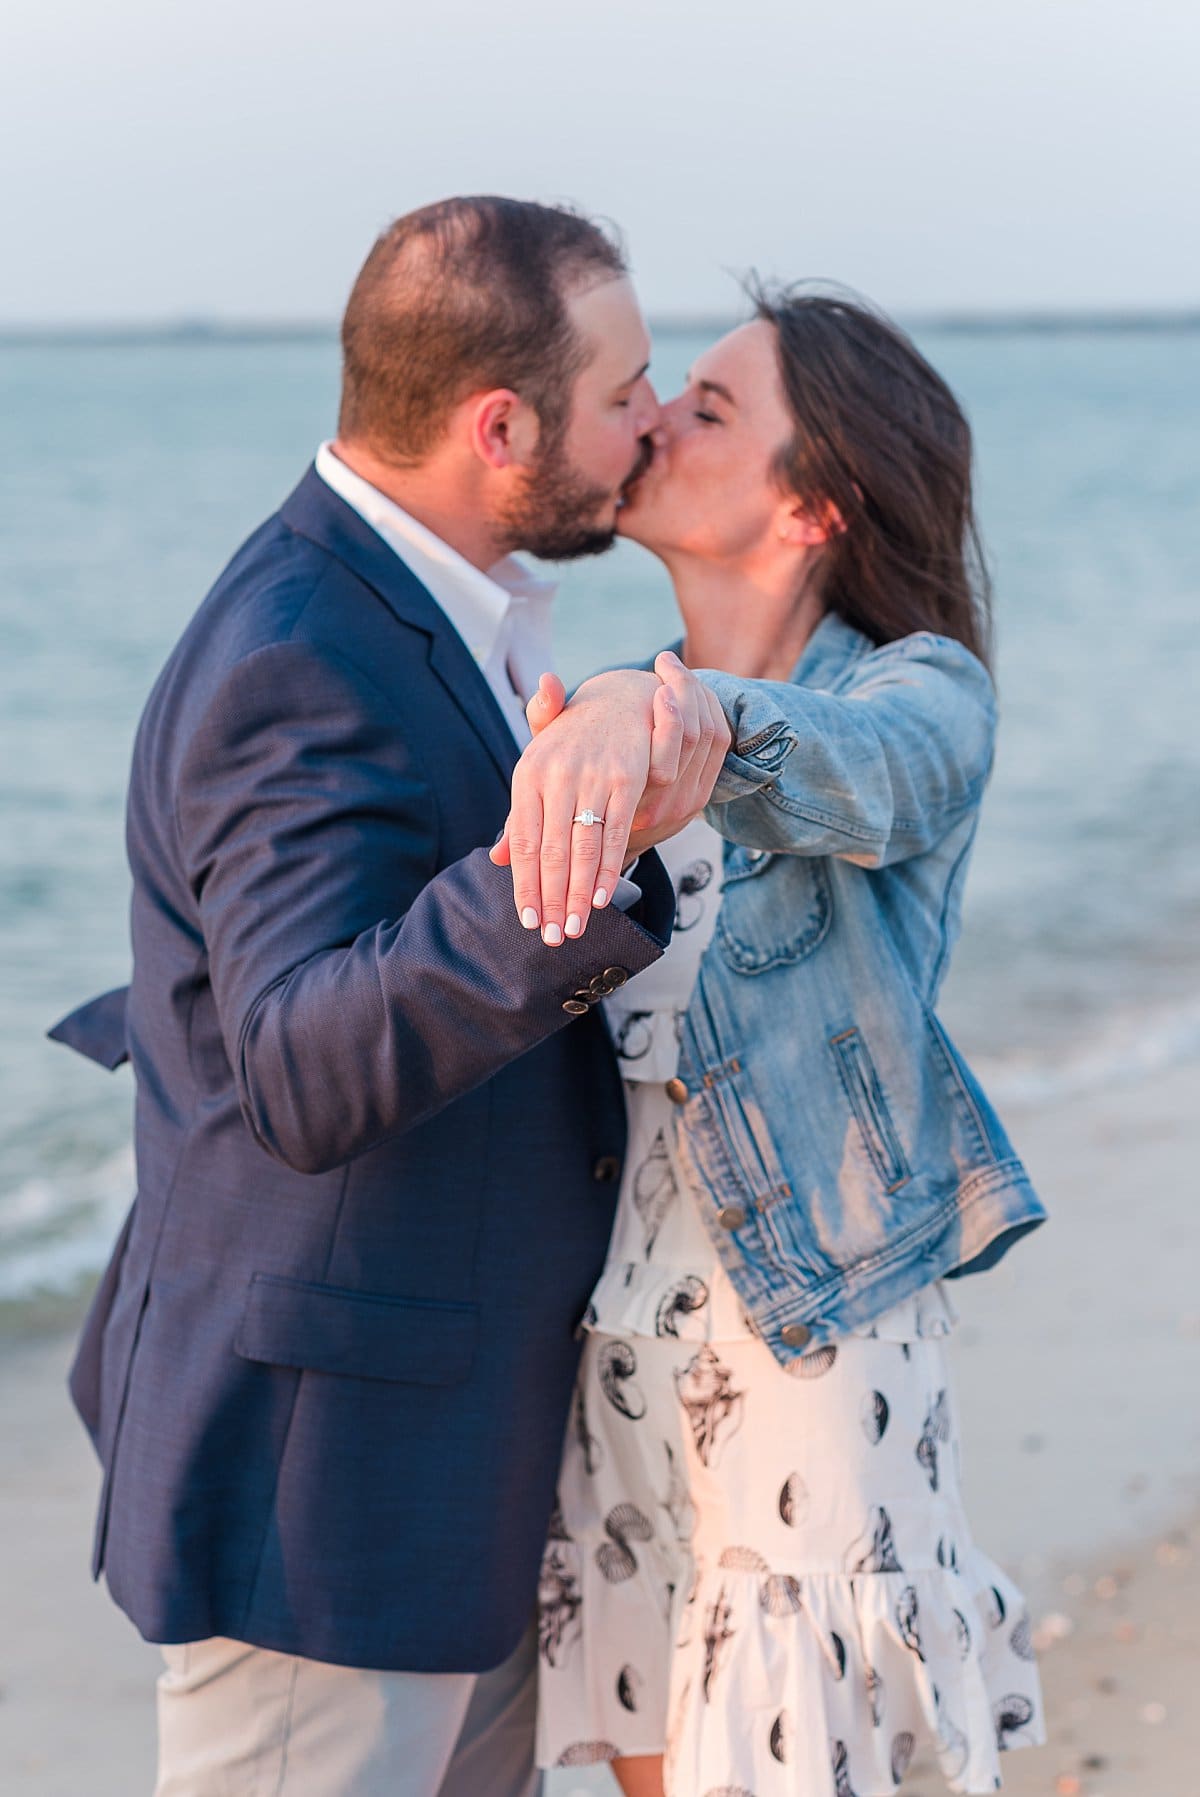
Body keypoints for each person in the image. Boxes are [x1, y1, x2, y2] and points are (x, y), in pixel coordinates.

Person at [47, 196, 730, 1797]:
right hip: (329, 1491)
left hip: (442, 1460)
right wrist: (577, 862)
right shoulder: (298, 650)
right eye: (623, 390)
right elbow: (298, 1067)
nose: (651, 418)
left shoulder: (422, 606)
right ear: (500, 428)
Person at [493, 288, 1049, 1795]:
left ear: (812, 504)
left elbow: (867, 772)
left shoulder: (917, 694)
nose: (658, 419)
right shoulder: (595, 724)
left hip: (808, 1334)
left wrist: (672, 718)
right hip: (615, 1336)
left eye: (712, 410)